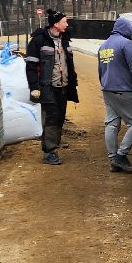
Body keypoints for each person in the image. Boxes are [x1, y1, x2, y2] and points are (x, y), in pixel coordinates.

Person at [25, 9, 78, 165]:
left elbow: (69, 64)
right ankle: (49, 152)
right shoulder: (39, 41)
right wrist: (34, 87)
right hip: (48, 87)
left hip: (63, 87)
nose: (67, 24)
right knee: (51, 118)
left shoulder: (65, 39)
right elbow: (31, 67)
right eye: (64, 21)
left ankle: (54, 142)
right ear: (56, 24)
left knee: (60, 117)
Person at [96, 16, 132, 173]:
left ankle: (113, 158)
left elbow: (101, 71)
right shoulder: (127, 45)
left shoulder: (103, 46)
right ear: (125, 29)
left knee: (112, 123)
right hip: (126, 91)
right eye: (131, 28)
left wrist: (106, 85)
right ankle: (120, 156)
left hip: (108, 90)